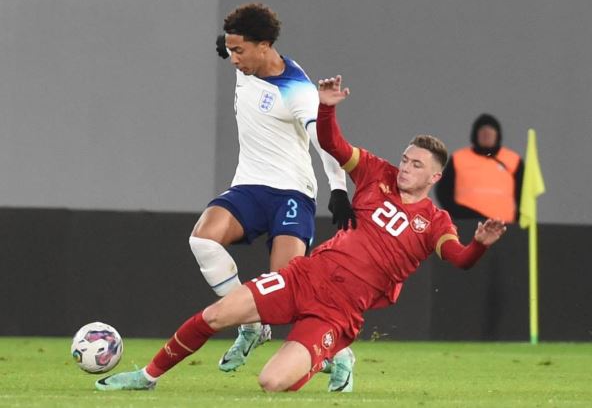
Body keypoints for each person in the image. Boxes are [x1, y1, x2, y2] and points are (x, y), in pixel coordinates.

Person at [95, 75, 506, 393]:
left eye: (416, 165)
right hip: (306, 276)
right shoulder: (376, 173)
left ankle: (332, 355)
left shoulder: (435, 222)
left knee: (271, 382)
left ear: (434, 177)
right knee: (216, 315)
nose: (405, 168)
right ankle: (146, 376)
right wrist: (326, 109)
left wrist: (479, 245)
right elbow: (333, 144)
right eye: (405, 159)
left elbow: (460, 259)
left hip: (339, 310)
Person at [190, 3, 355, 377]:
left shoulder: (298, 91)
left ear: (264, 46)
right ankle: (251, 326)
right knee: (202, 239)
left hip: (291, 193)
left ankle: (338, 353)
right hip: (248, 186)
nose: (233, 59)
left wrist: (339, 189)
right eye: (230, 51)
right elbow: (237, 47)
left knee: (286, 290)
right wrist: (229, 44)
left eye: (239, 50)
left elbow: (326, 142)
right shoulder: (247, 65)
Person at [435, 114, 524, 222]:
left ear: (498, 135)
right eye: (482, 132)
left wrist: (519, 223)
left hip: (504, 226)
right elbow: (443, 193)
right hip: (467, 225)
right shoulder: (458, 158)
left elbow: (524, 196)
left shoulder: (513, 160)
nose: (486, 135)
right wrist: (462, 215)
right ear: (475, 135)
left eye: (490, 132)